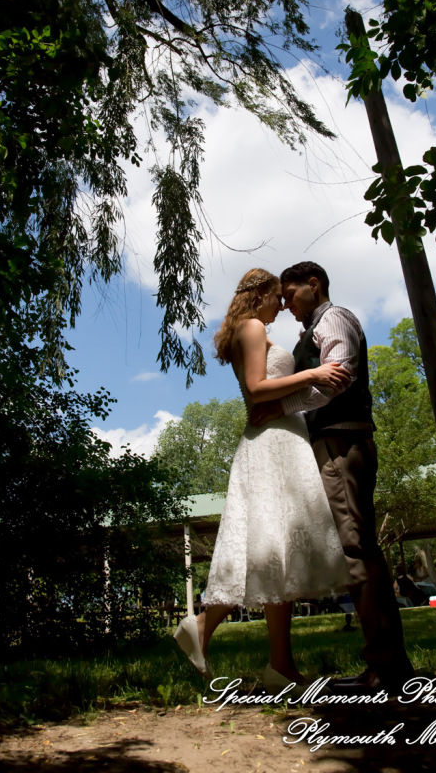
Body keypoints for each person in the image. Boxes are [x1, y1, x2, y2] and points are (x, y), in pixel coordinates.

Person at [173, 268, 350, 690]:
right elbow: (256, 387)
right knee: (270, 547)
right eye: (278, 297)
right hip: (271, 443)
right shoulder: (252, 326)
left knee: (277, 553)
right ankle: (204, 626)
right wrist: (314, 374)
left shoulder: (248, 328)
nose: (283, 305)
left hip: (281, 436)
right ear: (261, 295)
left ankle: (279, 665)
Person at [250, 261, 414, 694]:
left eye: (289, 295)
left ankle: (386, 669)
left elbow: (338, 378)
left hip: (342, 442)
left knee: (356, 548)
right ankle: (387, 664)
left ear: (314, 284)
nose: (285, 305)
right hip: (333, 443)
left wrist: (281, 407)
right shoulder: (313, 329)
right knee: (355, 548)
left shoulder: (335, 318)